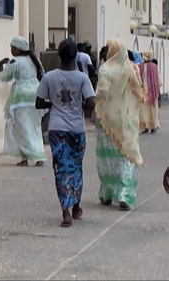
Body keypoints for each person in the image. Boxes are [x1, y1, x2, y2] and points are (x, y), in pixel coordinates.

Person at [36, 38, 95, 228]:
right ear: (76, 56)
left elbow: (38, 102)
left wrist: (53, 103)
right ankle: (76, 206)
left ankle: (66, 212)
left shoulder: (49, 77)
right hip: (77, 129)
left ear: (59, 55)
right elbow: (91, 102)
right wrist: (79, 104)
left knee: (61, 168)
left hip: (56, 129)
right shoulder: (82, 78)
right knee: (76, 167)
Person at [95, 39, 145, 211]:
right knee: (126, 154)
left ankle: (107, 192)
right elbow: (139, 91)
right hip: (127, 119)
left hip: (107, 120)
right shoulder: (131, 67)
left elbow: (102, 92)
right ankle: (126, 193)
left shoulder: (106, 69)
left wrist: (95, 102)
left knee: (108, 156)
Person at [0, 36, 47, 167]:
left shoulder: (15, 61)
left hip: (21, 99)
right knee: (34, 127)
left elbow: (5, 77)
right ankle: (38, 154)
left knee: (21, 129)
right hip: (35, 96)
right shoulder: (34, 60)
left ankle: (25, 157)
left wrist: (1, 66)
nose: (11, 50)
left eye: (13, 47)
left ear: (19, 49)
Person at [138, 50, 160, 133]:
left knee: (144, 109)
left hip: (143, 90)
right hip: (152, 90)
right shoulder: (154, 67)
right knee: (153, 108)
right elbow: (158, 80)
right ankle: (153, 125)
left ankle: (146, 126)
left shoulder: (139, 66)